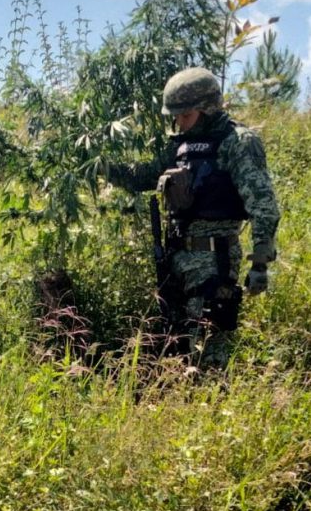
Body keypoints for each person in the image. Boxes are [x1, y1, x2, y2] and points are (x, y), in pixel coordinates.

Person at [106, 67, 280, 369]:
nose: (179, 122)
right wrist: (102, 167)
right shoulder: (179, 146)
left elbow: (263, 205)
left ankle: (211, 406)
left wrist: (260, 264)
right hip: (176, 259)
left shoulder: (237, 142)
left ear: (208, 108)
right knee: (175, 348)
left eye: (185, 115)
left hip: (214, 260)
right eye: (175, 116)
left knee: (209, 352)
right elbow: (144, 176)